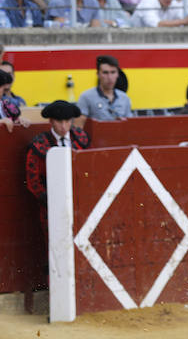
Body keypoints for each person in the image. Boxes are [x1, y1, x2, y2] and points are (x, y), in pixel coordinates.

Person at [25, 100, 90, 242]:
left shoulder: (81, 138)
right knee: (55, 240)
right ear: (51, 121)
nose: (63, 126)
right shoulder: (39, 144)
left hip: (79, 197)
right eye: (59, 121)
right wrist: (48, 200)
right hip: (51, 201)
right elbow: (33, 179)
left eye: (67, 121)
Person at [76, 55, 132, 120]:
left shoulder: (124, 98)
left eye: (113, 72)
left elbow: (130, 126)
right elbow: (78, 127)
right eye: (105, 73)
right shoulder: (86, 97)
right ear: (98, 74)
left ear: (118, 74)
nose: (109, 77)